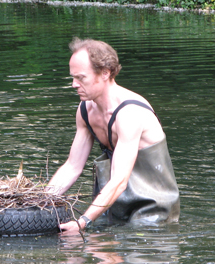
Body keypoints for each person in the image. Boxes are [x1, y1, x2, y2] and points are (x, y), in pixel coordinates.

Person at [46, 38, 180, 233]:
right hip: (116, 206)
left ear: (105, 73)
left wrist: (82, 222)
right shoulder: (85, 110)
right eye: (72, 77)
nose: (74, 84)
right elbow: (72, 166)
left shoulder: (129, 113)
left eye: (81, 78)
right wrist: (39, 201)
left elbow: (119, 181)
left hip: (153, 212)